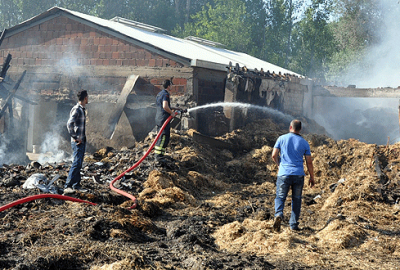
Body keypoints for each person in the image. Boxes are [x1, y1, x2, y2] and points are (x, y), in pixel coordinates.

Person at [271, 119, 314, 232]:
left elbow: (274, 155)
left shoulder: (281, 138)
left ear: (290, 127)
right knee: (297, 199)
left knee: (280, 197)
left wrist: (279, 165)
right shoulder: (304, 142)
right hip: (299, 175)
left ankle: (279, 214)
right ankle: (293, 225)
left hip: (284, 173)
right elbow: (309, 161)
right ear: (300, 129)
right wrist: (312, 177)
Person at [64, 90, 89, 194]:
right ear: (85, 98)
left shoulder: (82, 109)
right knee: (76, 163)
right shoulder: (77, 109)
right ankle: (67, 185)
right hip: (77, 142)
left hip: (81, 140)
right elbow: (69, 124)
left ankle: (76, 185)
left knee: (79, 164)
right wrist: (75, 137)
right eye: (88, 97)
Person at [154, 79, 177, 166]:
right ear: (168, 86)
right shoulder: (166, 94)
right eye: (171, 85)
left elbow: (162, 105)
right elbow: (164, 106)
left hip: (159, 118)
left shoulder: (159, 94)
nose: (172, 86)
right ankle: (159, 157)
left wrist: (174, 109)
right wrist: (172, 113)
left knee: (160, 137)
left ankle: (159, 156)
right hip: (164, 119)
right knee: (164, 137)